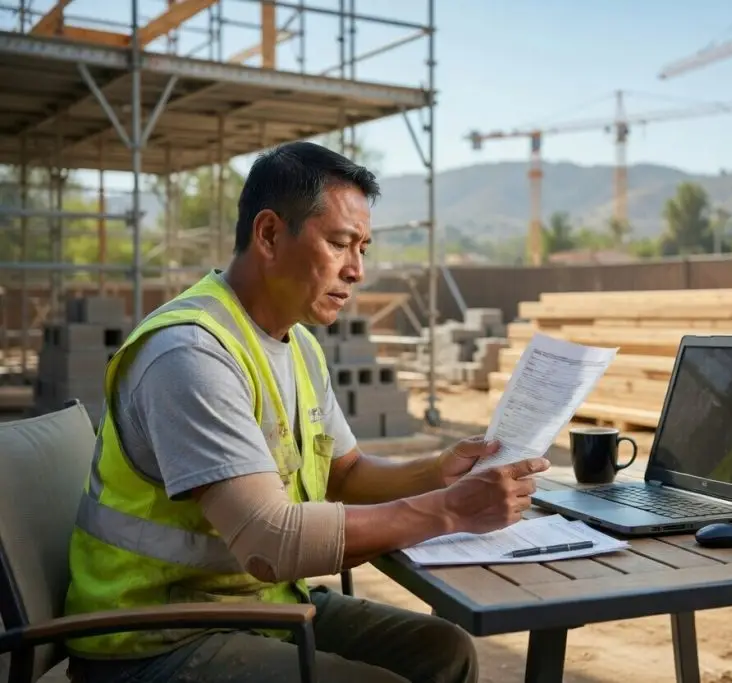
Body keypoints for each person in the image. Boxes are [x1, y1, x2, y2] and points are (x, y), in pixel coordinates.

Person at [63, 140, 550, 683]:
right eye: (340, 243)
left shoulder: (298, 346)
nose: (357, 270)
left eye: (363, 248)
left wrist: (439, 472)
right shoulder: (190, 352)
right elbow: (271, 540)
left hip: (257, 607)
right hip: (154, 637)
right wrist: (450, 511)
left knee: (444, 650)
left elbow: (345, 473)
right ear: (270, 234)